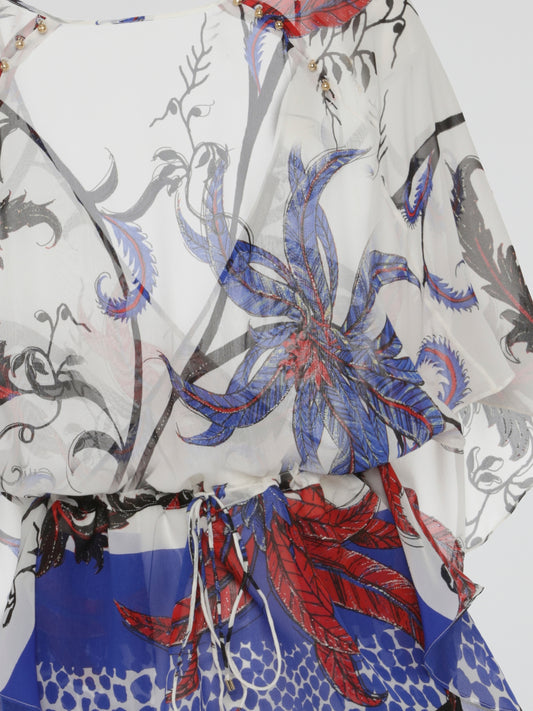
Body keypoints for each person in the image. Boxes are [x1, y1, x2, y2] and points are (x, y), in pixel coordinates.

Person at [0, 0, 531, 709]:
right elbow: (482, 368)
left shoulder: (356, 37)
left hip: (294, 598)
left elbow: (474, 354)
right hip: (112, 616)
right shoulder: (353, 36)